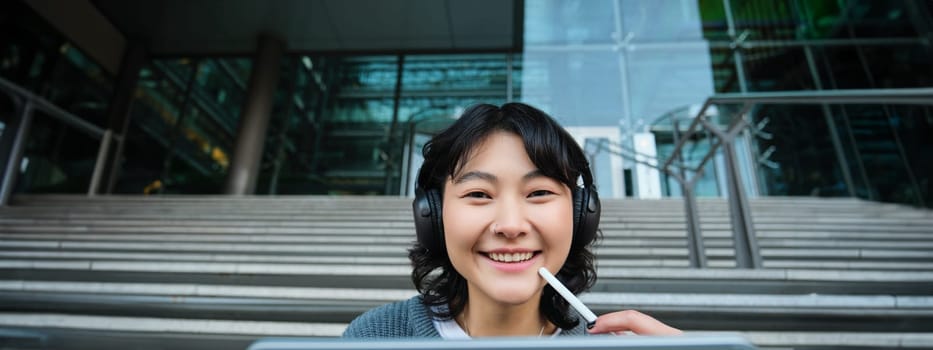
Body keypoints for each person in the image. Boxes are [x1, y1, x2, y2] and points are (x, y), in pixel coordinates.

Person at [343, 102, 681, 338]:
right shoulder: (377, 336)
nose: (511, 225)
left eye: (538, 193)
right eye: (479, 195)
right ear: (433, 214)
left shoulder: (619, 346)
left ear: (581, 214)